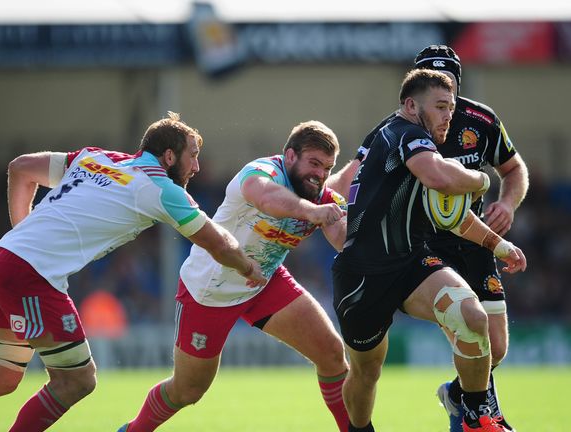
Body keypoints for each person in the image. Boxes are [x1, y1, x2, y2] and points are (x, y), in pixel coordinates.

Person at [0, 112, 267, 432]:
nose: (196, 166)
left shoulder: (97, 157)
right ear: (168, 156)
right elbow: (217, 242)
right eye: (192, 155)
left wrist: (20, 234)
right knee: (78, 380)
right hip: (29, 274)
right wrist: (250, 266)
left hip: (1, 259)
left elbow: (21, 168)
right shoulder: (162, 189)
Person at [328, 45, 528, 432]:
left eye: (450, 104)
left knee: (472, 318)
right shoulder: (400, 133)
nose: (447, 115)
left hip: (413, 261)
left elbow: (450, 215)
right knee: (366, 372)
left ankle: (473, 413)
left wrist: (500, 245)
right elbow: (439, 178)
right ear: (410, 103)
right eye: (439, 105)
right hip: (363, 275)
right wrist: (482, 179)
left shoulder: (471, 123)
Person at [118, 120, 351, 432]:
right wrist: (312, 212)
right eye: (314, 163)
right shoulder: (261, 172)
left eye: (327, 167)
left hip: (264, 281)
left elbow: (341, 239)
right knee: (187, 390)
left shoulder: (318, 193)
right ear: (290, 156)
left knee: (333, 355)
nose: (320, 174)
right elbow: (266, 198)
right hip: (210, 290)